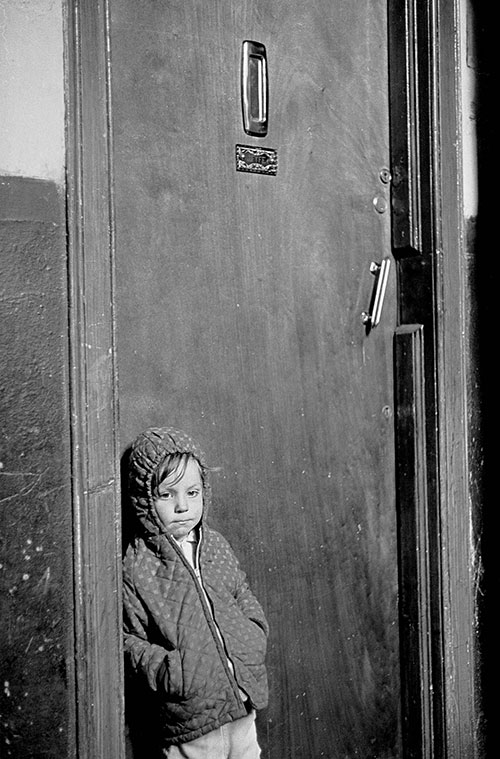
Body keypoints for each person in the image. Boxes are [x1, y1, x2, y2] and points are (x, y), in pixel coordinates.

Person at [122, 426, 269, 758]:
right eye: (167, 495)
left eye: (192, 493)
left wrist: (252, 635)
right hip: (190, 719)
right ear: (146, 499)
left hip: (241, 703)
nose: (182, 506)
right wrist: (172, 671)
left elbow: (240, 591)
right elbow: (129, 640)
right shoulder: (137, 565)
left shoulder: (214, 544)